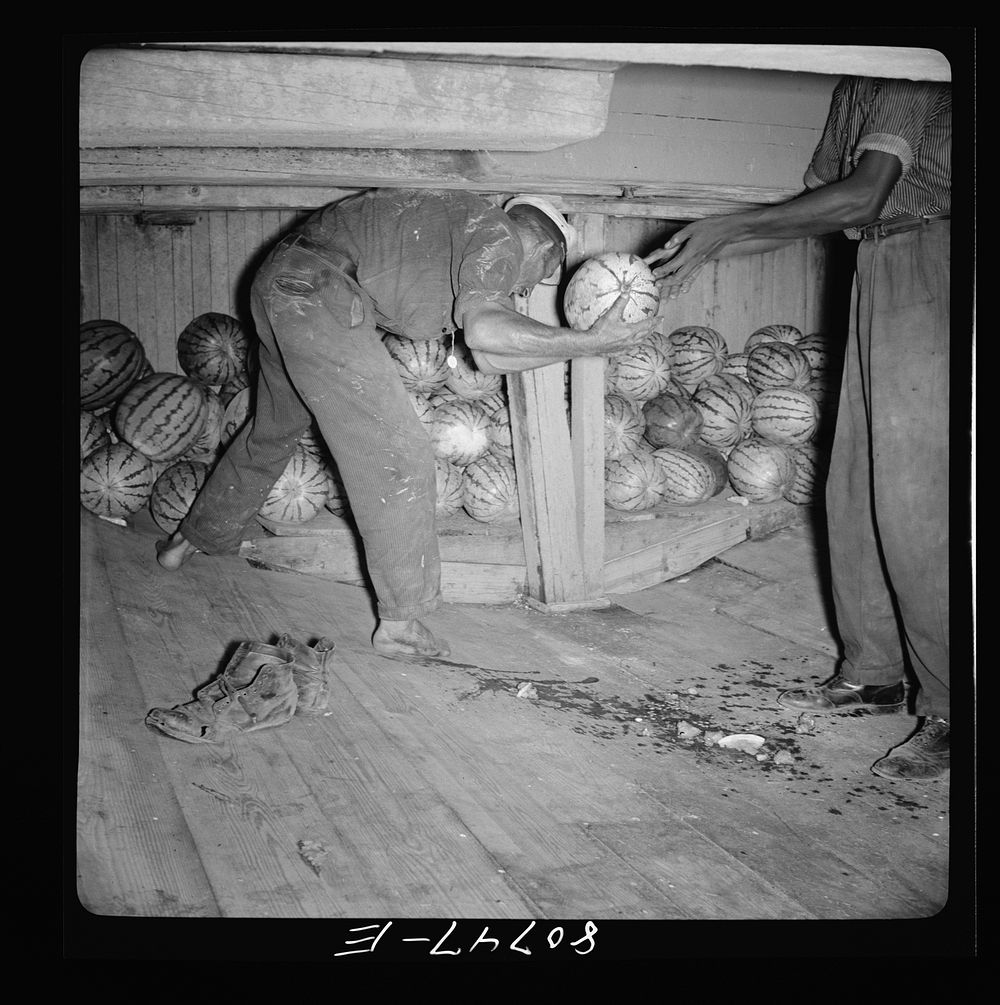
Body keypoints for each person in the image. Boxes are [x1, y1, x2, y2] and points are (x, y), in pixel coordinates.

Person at [157, 188, 659, 659]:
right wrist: (591, 344)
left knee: (272, 430)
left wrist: (556, 344)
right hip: (320, 292)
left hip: (280, 283)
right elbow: (487, 330)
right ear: (545, 248)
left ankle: (191, 540)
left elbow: (487, 355)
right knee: (398, 453)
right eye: (539, 275)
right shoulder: (501, 237)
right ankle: (400, 622)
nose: (526, 287)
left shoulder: (455, 226)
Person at [644, 76, 952, 780]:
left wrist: (726, 228)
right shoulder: (853, 81)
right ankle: (874, 667)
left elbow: (866, 191)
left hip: (934, 254)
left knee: (916, 500)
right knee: (852, 484)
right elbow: (820, 208)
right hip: (877, 259)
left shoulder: (901, 63)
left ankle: (950, 704)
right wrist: (693, 255)